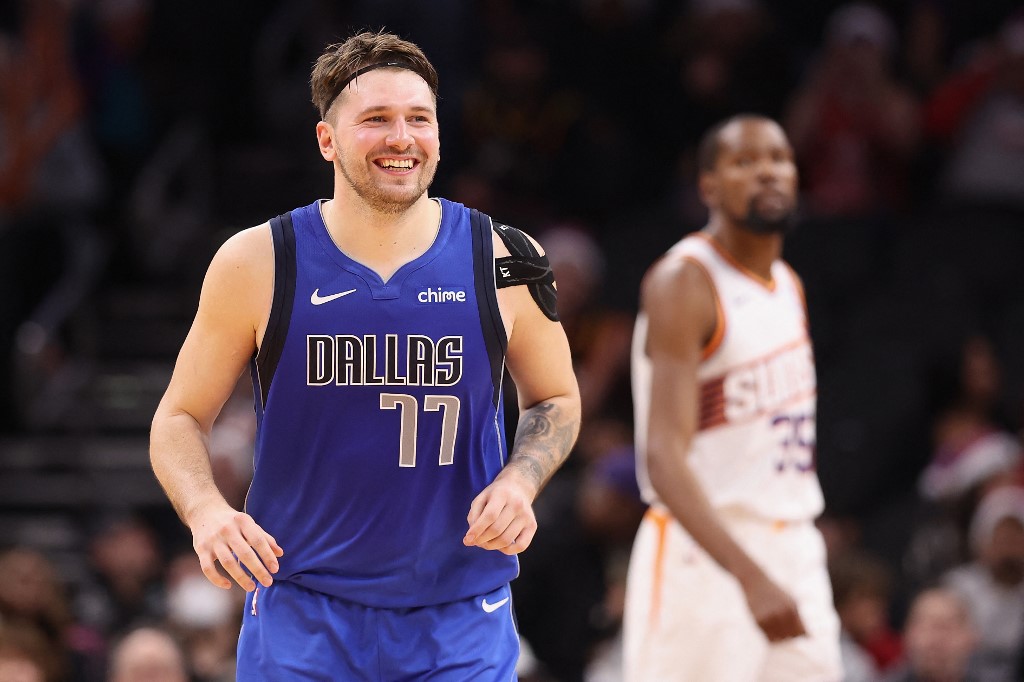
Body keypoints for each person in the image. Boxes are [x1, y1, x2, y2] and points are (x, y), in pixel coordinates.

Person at [149, 30, 581, 680]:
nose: (401, 138)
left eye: (419, 119)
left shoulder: (505, 259)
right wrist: (207, 510)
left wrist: (521, 481)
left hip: (459, 615)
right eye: (375, 119)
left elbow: (557, 398)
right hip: (302, 615)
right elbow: (177, 418)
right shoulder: (257, 260)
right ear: (327, 138)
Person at [623, 114, 843, 681]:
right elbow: (664, 458)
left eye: (778, 158)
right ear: (709, 186)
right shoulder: (685, 281)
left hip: (793, 547)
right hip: (707, 557)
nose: (767, 171)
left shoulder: (788, 284)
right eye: (745, 162)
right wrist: (747, 574)